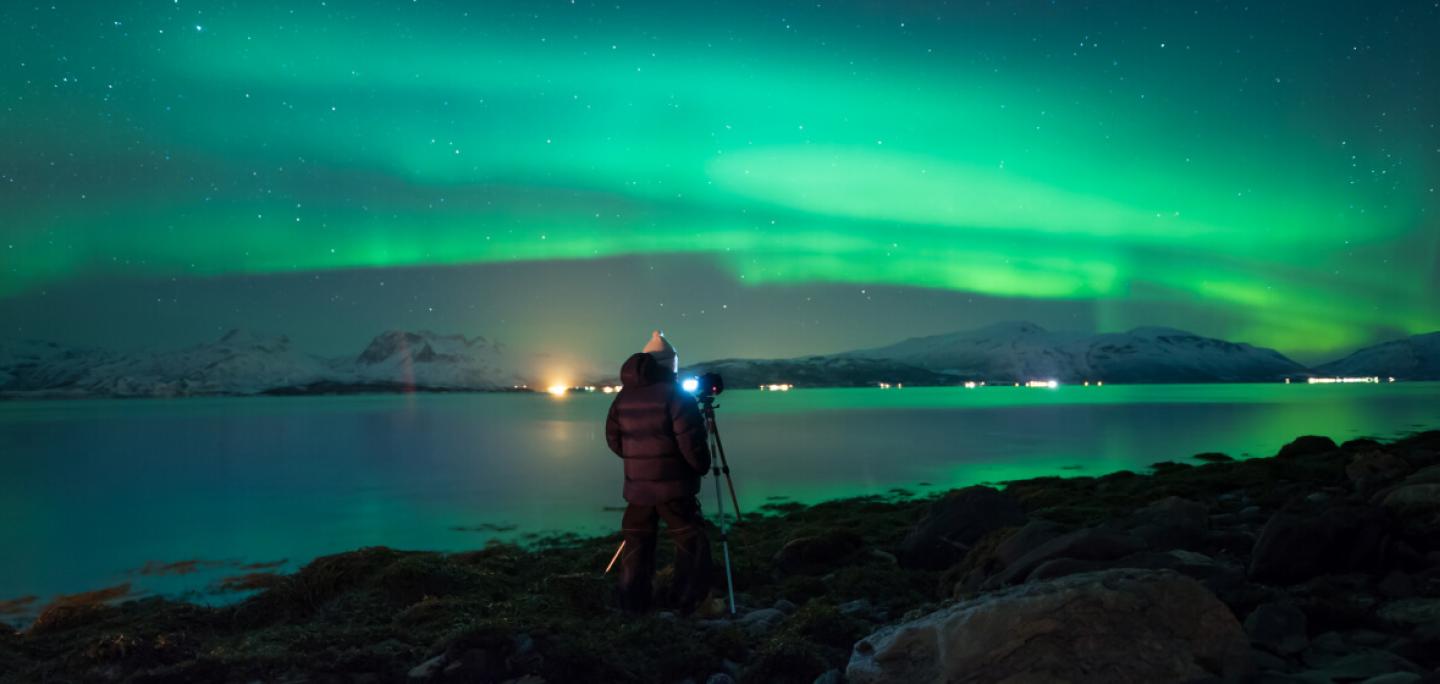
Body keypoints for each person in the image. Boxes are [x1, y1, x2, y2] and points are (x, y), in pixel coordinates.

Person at [605, 330, 714, 614]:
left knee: (637, 543)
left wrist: (639, 462)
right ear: (669, 365)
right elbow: (692, 444)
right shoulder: (676, 397)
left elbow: (614, 441)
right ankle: (686, 602)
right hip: (674, 489)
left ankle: (633, 605)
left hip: (638, 490)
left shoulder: (623, 397)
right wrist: (699, 467)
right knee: (691, 541)